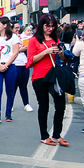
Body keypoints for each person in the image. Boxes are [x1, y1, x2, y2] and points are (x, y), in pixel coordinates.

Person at [26, 15, 68, 146]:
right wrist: (46, 51)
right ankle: (44, 136)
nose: (50, 28)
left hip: (55, 76)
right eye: (47, 26)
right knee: (44, 106)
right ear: (41, 26)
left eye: (52, 26)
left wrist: (61, 52)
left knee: (61, 105)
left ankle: (57, 135)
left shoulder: (56, 39)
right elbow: (30, 61)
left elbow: (62, 59)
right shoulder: (34, 40)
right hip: (40, 76)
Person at [0, 17, 20, 125]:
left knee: (10, 91)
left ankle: (8, 114)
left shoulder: (13, 37)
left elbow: (15, 53)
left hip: (10, 66)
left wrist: (6, 65)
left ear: (5, 25)